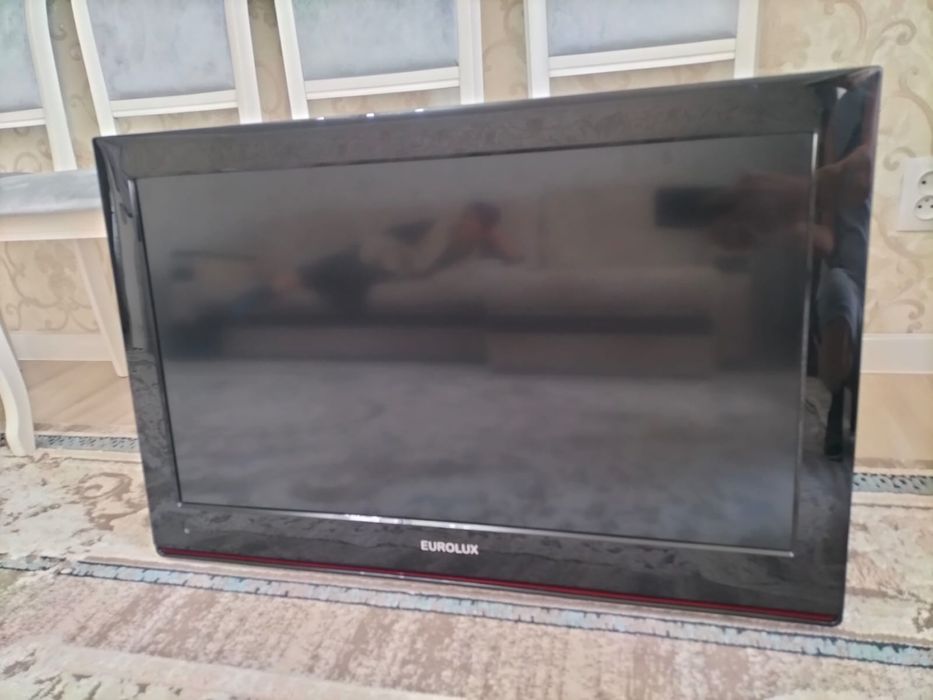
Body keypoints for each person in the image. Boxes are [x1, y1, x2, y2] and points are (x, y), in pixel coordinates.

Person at [268, 201, 515, 314]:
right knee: (335, 267)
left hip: (388, 268)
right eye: (465, 216)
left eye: (471, 220)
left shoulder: (477, 249)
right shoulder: (438, 228)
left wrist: (496, 237)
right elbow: (392, 236)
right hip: (378, 254)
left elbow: (514, 262)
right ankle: (271, 291)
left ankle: (277, 289)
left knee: (341, 274)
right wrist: (376, 250)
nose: (463, 222)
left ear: (483, 228)